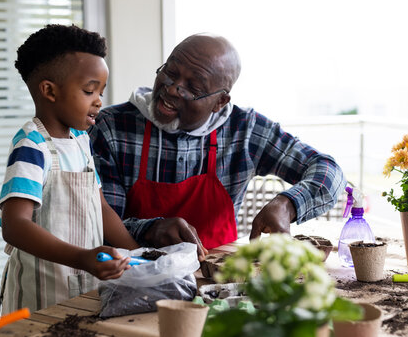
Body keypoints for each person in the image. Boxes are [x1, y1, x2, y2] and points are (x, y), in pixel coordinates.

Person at [89, 33, 346, 260]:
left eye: (193, 87)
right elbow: (101, 224)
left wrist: (287, 204)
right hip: (133, 279)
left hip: (220, 282)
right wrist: (150, 229)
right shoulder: (111, 128)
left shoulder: (245, 130)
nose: (174, 89)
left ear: (220, 102)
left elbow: (327, 170)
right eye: (170, 72)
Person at [0, 24, 139, 315]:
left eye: (101, 90)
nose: (99, 100)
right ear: (49, 90)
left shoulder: (81, 140)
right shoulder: (31, 146)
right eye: (89, 90)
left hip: (84, 288)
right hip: (40, 298)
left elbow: (101, 208)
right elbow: (15, 226)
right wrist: (83, 257)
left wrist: (138, 256)